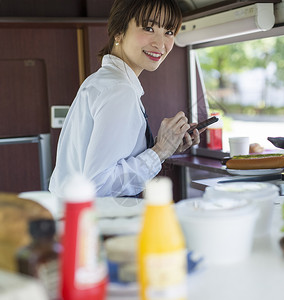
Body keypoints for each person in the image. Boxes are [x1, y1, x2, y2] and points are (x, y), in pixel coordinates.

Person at [49, 0, 202, 198]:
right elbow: (99, 186)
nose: (160, 43)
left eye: (169, 32)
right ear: (118, 32)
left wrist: (166, 145)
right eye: (148, 28)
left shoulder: (101, 80)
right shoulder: (120, 90)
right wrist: (160, 151)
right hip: (95, 221)